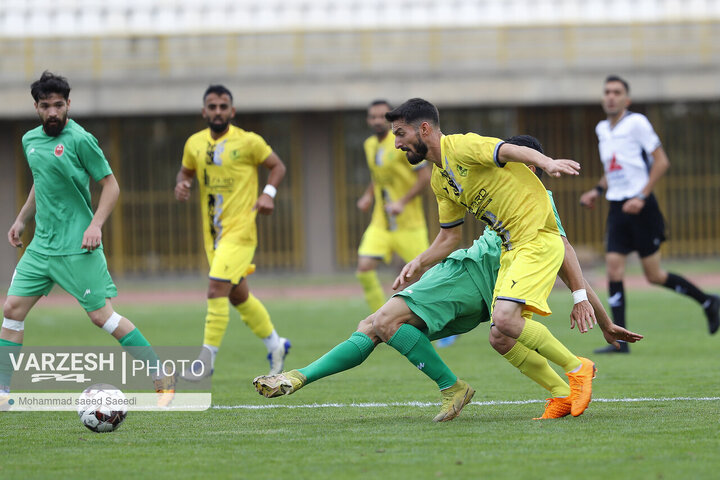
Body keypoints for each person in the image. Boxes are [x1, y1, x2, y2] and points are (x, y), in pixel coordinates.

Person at [254, 135, 643, 422]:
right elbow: (454, 233)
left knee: (384, 322)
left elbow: (564, 254)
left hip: (468, 276)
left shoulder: (535, 202)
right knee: (483, 335)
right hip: (480, 288)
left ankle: (463, 386)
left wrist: (600, 317)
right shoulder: (489, 191)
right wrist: (606, 323)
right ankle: (559, 391)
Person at [388, 98, 597, 419]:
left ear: (424, 129)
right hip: (512, 249)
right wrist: (420, 261)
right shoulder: (439, 179)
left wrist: (546, 162)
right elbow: (449, 237)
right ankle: (562, 394)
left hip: (536, 241)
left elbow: (508, 150)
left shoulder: (462, 146)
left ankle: (577, 367)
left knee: (506, 320)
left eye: (400, 134)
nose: (397, 143)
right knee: (500, 335)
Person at [0, 71, 175, 408]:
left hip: (78, 245)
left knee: (102, 317)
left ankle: (160, 374)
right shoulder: (30, 141)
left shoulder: (81, 139)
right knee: (11, 310)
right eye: (46, 106)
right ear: (36, 107)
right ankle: (3, 392)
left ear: (68, 104)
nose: (53, 112)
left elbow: (111, 185)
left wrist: (95, 225)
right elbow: (42, 181)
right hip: (41, 247)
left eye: (59, 105)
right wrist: (22, 220)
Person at [580, 75, 719, 353]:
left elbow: (661, 162)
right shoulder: (602, 129)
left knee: (653, 275)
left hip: (642, 208)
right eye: (607, 92)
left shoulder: (637, 123)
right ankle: (620, 341)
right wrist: (596, 190)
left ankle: (708, 301)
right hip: (617, 208)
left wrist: (642, 196)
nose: (610, 96)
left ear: (626, 100)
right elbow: (614, 168)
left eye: (617, 92)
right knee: (613, 269)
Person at [174, 85, 290, 379]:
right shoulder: (194, 144)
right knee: (238, 296)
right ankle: (276, 345)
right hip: (212, 234)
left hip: (241, 230)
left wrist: (268, 194)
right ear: (204, 111)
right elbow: (186, 172)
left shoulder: (248, 141)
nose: (217, 112)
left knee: (215, 289)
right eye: (212, 107)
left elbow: (277, 166)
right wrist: (182, 185)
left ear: (232, 111)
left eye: (223, 107)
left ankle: (206, 361)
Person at [356, 100, 431, 313]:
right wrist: (368, 195)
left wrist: (402, 202)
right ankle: (380, 320)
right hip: (381, 222)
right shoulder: (369, 145)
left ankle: (447, 320)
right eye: (373, 117)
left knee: (425, 275)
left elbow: (425, 177)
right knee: (364, 268)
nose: (377, 121)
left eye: (382, 116)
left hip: (409, 223)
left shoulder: (403, 142)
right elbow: (377, 175)